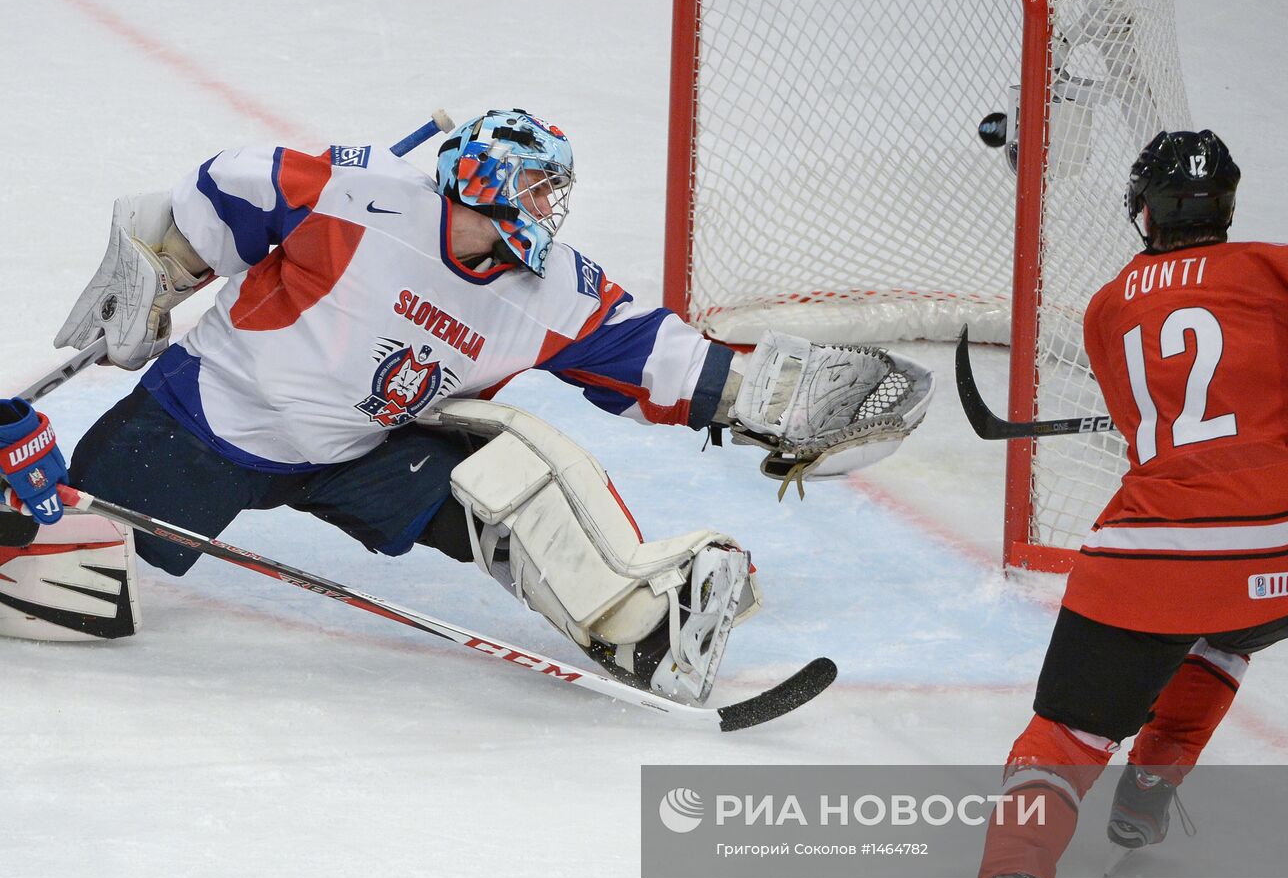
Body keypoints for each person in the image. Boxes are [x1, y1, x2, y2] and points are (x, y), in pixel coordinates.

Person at [9, 108, 933, 703]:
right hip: (205, 421)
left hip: (362, 452)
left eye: (552, 190)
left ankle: (643, 631)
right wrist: (163, 265)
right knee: (72, 583)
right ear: (485, 182)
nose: (548, 206)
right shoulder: (356, 195)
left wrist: (761, 395)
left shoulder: (550, 288)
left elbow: (655, 357)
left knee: (515, 483)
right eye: (535, 186)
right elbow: (221, 186)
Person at [893, 129, 1288, 878]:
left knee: (1066, 731)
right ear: (1227, 206)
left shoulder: (1106, 307)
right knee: (1231, 622)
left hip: (1157, 562)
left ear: (1143, 211)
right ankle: (1152, 788)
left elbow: (1162, 427)